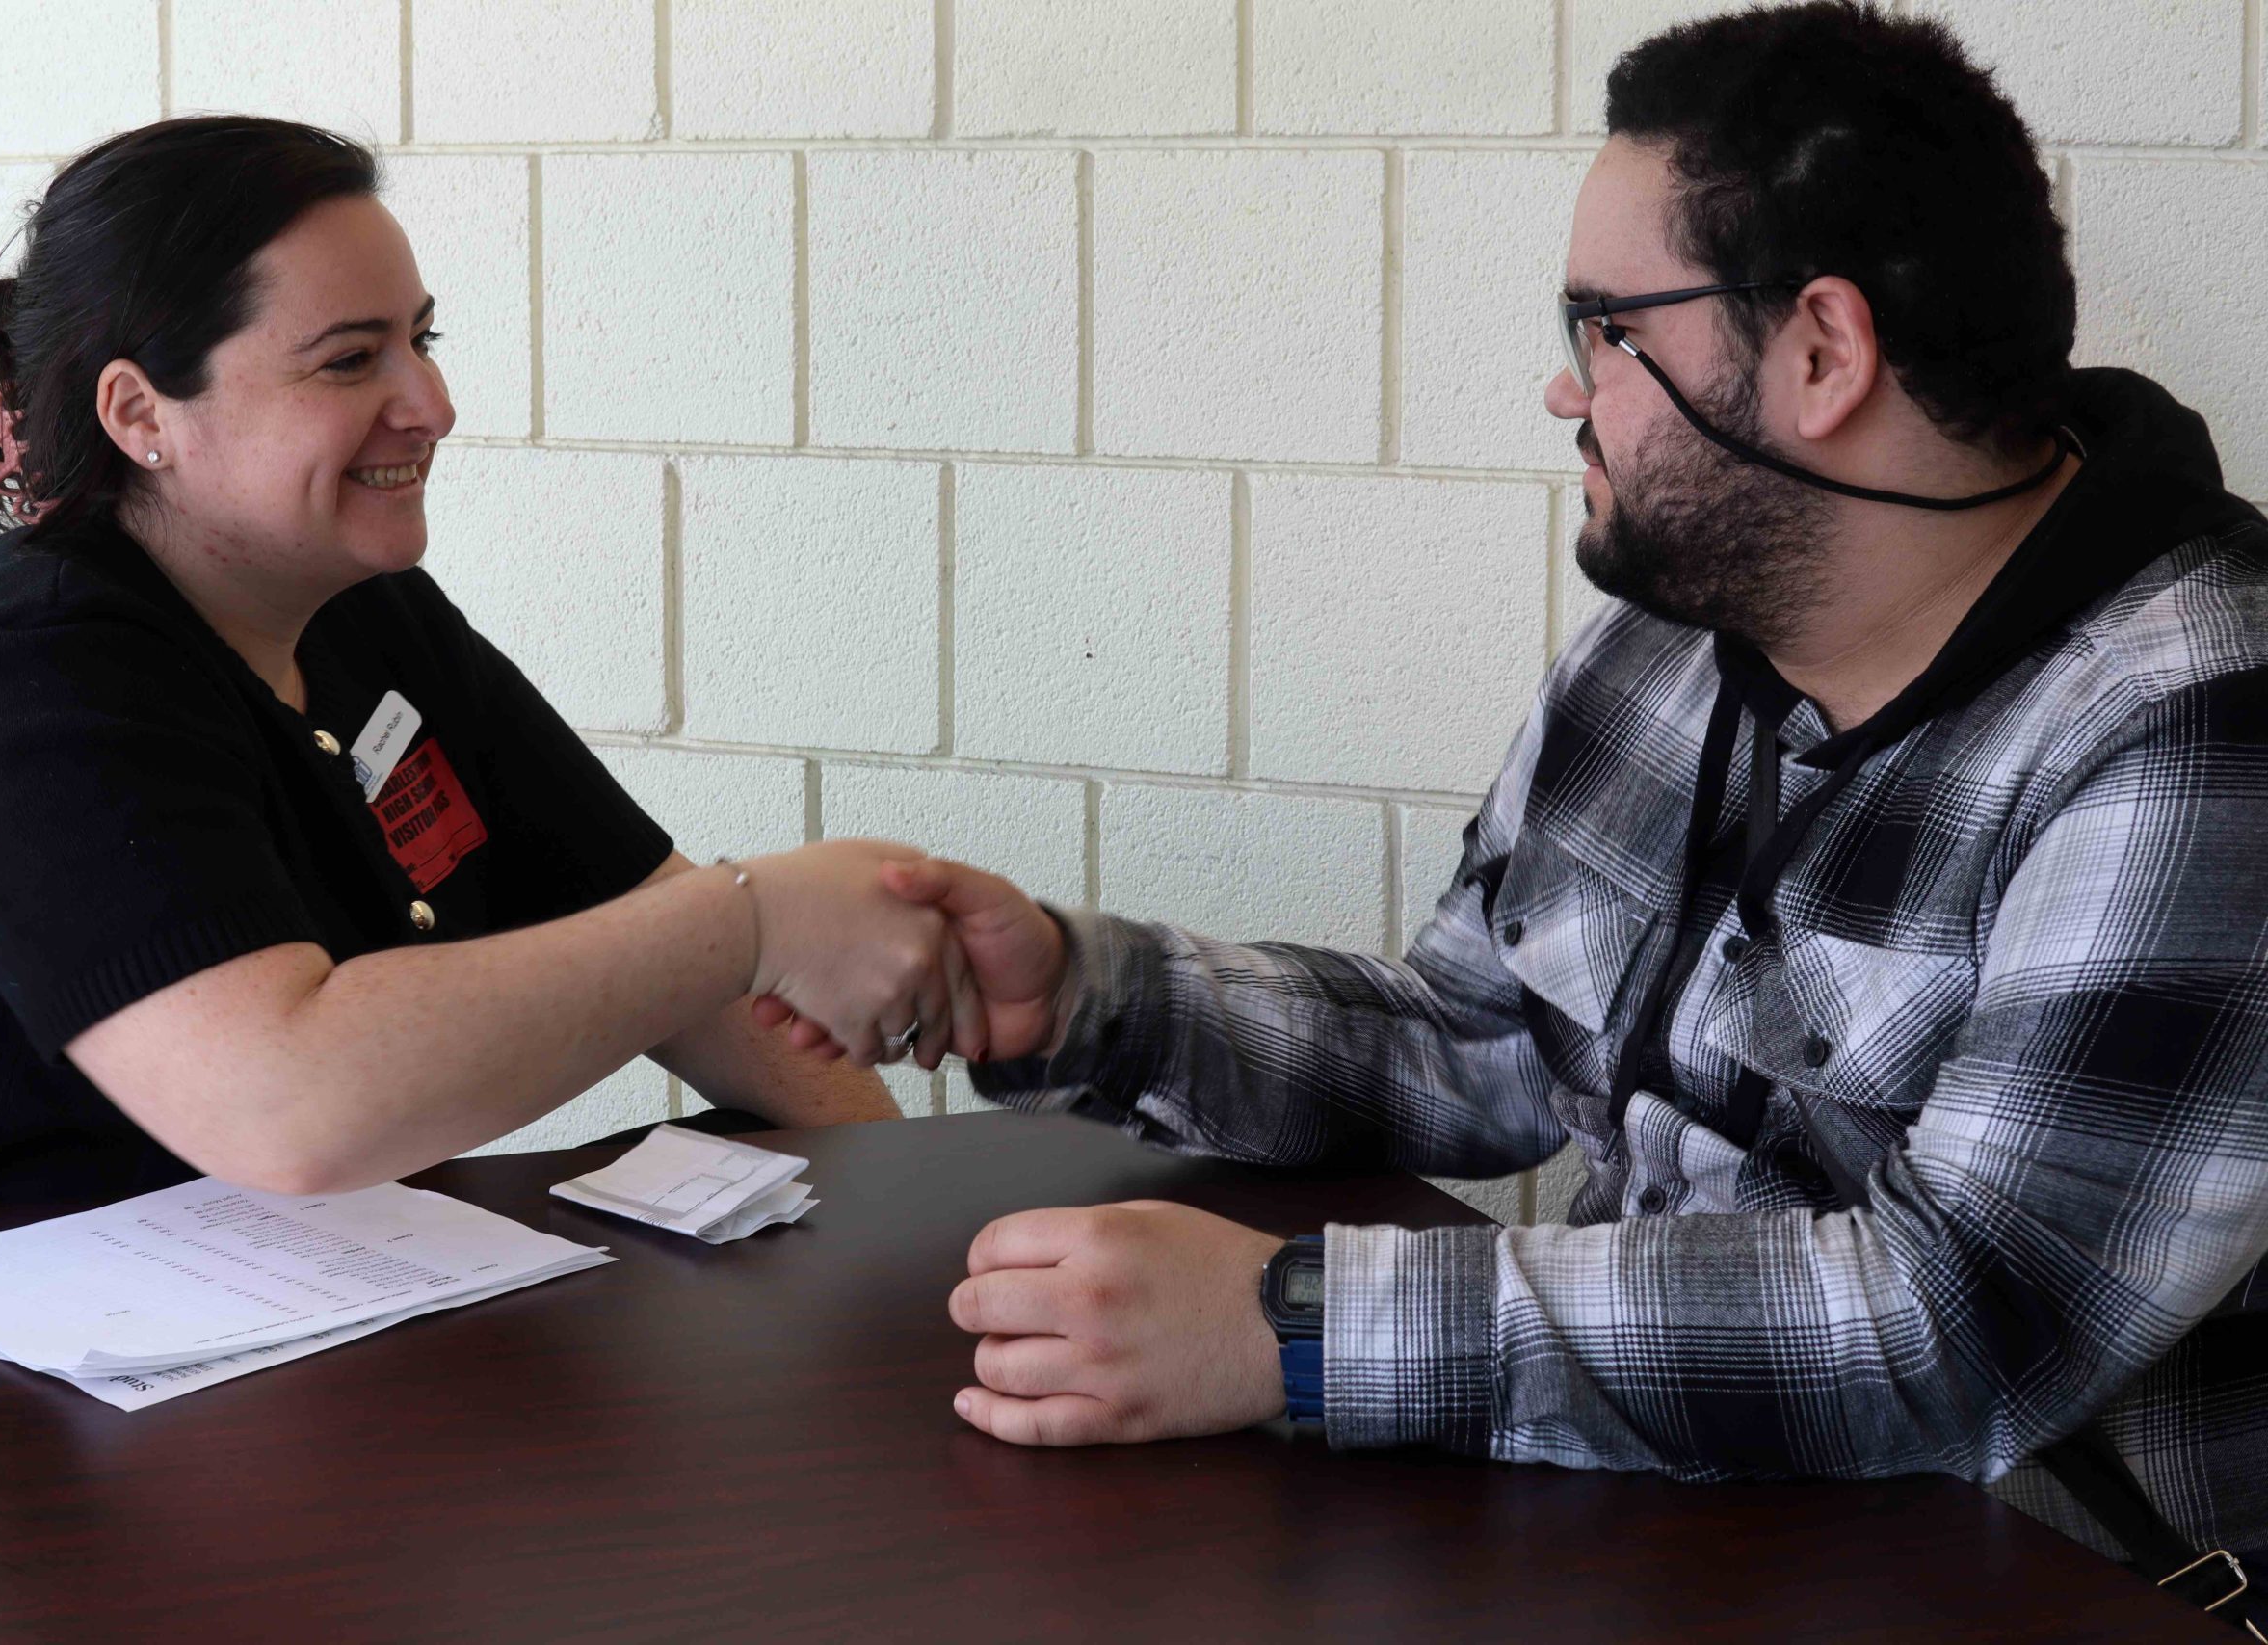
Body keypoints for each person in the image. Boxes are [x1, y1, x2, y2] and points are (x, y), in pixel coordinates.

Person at [767, 2, 2268, 1620]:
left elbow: (1957, 1329)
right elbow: (1483, 1045)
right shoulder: (1674, 641)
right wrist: (1091, 993)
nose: (1565, 393)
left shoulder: (2199, 720)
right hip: (1657, 1532)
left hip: (2028, 1578)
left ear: (1822, 352)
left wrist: (1302, 1323)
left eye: (1604, 328)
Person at [0, 117, 973, 1210]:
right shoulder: (24, 682)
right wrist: (755, 918)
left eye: (422, 339)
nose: (432, 404)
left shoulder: (371, 616)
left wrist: (882, 1206)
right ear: (141, 413)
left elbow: (663, 939)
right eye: (351, 360)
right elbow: (292, 1106)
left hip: (289, 1328)